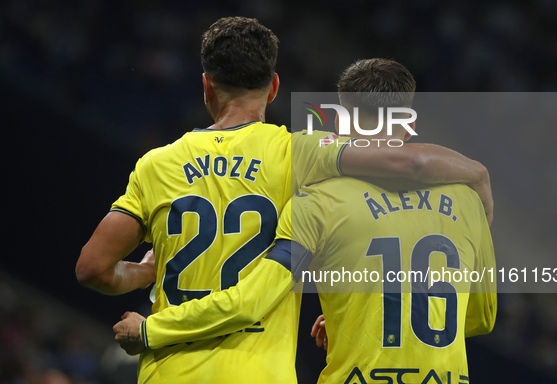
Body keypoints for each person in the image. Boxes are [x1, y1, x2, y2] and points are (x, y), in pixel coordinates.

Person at [78, 16, 492, 384]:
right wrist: (477, 174)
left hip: (169, 370)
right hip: (261, 372)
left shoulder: (156, 165)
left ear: (206, 84)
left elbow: (92, 269)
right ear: (274, 87)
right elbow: (407, 163)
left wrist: (142, 276)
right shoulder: (300, 153)